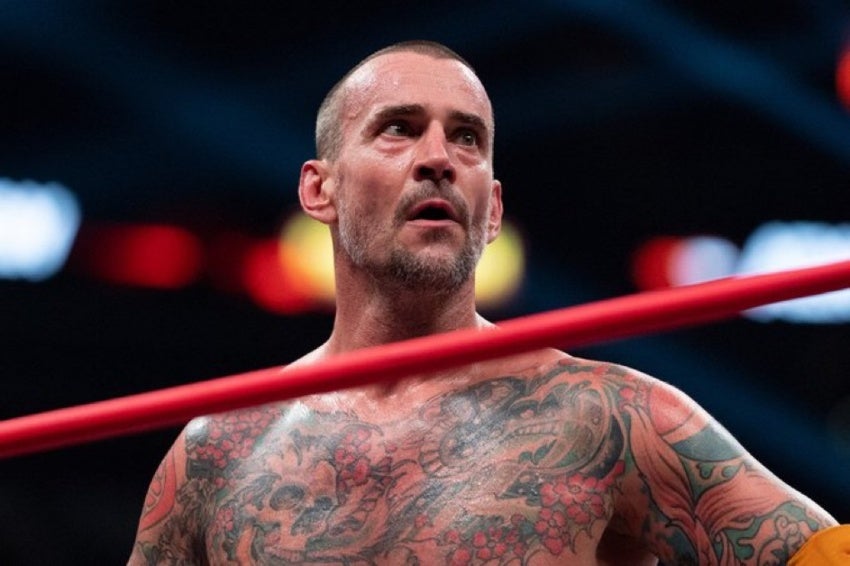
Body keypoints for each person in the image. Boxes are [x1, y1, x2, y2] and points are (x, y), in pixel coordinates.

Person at [128, 40, 844, 565]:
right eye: (399, 128)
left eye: (467, 138)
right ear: (321, 189)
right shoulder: (217, 450)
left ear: (492, 209)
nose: (439, 157)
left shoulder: (607, 418)